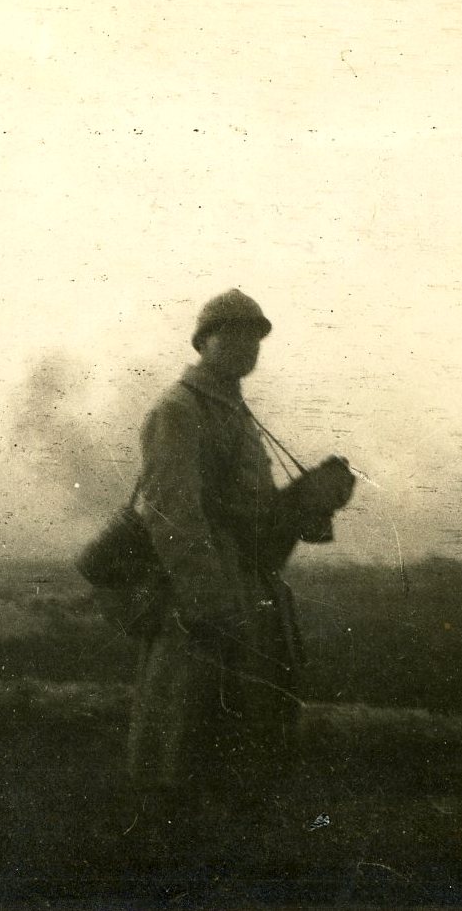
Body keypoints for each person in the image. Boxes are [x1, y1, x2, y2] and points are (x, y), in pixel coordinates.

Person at [125, 289, 345, 852]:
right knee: (186, 737)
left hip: (249, 592)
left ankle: (231, 854)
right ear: (203, 342)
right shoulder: (179, 409)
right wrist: (210, 604)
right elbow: (172, 514)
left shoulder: (236, 412)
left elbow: (255, 516)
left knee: (245, 735)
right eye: (234, 334)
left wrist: (308, 501)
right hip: (204, 601)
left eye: (255, 337)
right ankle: (170, 860)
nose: (248, 346)